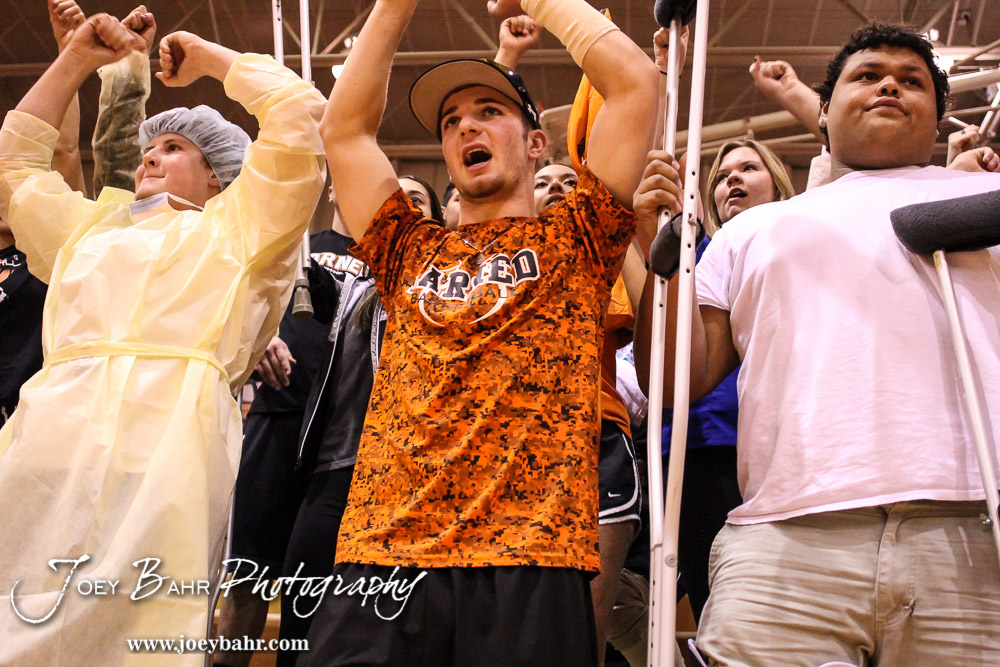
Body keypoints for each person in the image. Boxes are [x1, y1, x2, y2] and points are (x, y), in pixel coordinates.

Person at [302, 0, 657, 661]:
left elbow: (635, 83)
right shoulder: (405, 247)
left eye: (489, 111)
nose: (466, 124)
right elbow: (343, 130)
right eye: (451, 121)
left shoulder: (578, 238)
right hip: (386, 550)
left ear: (535, 143)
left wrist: (544, 2)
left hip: (533, 554)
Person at [646, 22, 1000, 666]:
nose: (889, 85)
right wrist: (656, 259)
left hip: (977, 529)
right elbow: (674, 380)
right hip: (785, 538)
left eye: (912, 81)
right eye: (868, 76)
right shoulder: (753, 229)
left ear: (937, 118)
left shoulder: (987, 199)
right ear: (825, 115)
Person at [0, 14, 326, 665]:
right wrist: (75, 60)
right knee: (19, 605)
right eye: (151, 146)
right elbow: (17, 160)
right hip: (50, 437)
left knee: (145, 632)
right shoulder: (87, 229)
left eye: (175, 147)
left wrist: (206, 55)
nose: (150, 154)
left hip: (172, 444)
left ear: (219, 176)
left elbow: (297, 115)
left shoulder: (243, 229)